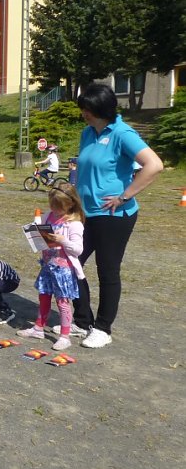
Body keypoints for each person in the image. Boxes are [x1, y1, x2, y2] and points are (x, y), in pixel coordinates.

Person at [73, 84, 163, 349]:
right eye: (83, 109)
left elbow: (154, 165)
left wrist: (125, 196)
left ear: (102, 109)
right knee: (71, 263)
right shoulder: (87, 133)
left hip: (114, 214)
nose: (84, 113)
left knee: (107, 269)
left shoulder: (122, 133)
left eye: (88, 109)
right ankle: (82, 321)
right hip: (85, 212)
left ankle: (103, 328)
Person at [17, 184, 85, 351]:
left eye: (58, 206)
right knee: (44, 296)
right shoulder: (49, 216)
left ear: (70, 204)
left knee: (62, 302)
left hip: (63, 269)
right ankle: (38, 328)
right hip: (48, 265)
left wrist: (63, 241)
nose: (54, 209)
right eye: (52, 205)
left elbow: (78, 250)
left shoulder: (74, 224)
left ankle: (65, 336)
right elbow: (40, 233)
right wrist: (35, 231)